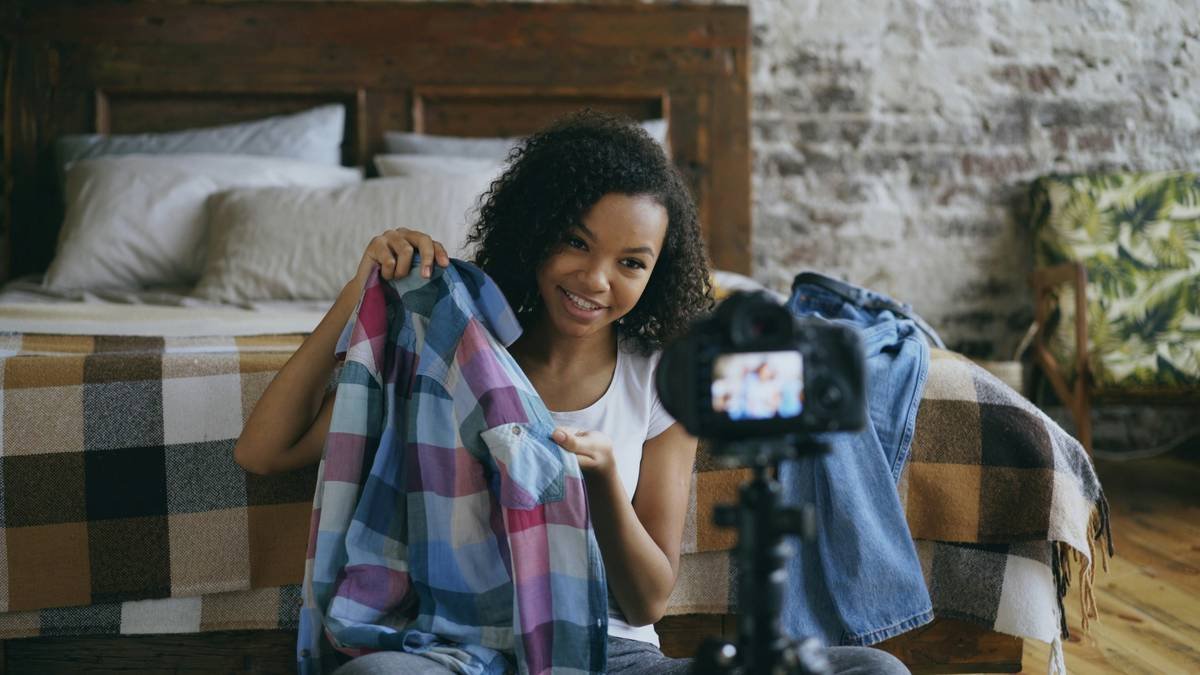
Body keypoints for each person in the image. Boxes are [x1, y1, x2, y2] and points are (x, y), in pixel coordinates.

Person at [235, 111, 908, 675]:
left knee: (876, 670)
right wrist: (360, 297)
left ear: (658, 271)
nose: (594, 279)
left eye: (631, 263)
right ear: (536, 227)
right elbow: (264, 449)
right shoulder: (448, 351)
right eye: (575, 242)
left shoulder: (661, 376)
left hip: (610, 653)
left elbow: (646, 601)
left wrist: (606, 481)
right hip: (466, 652)